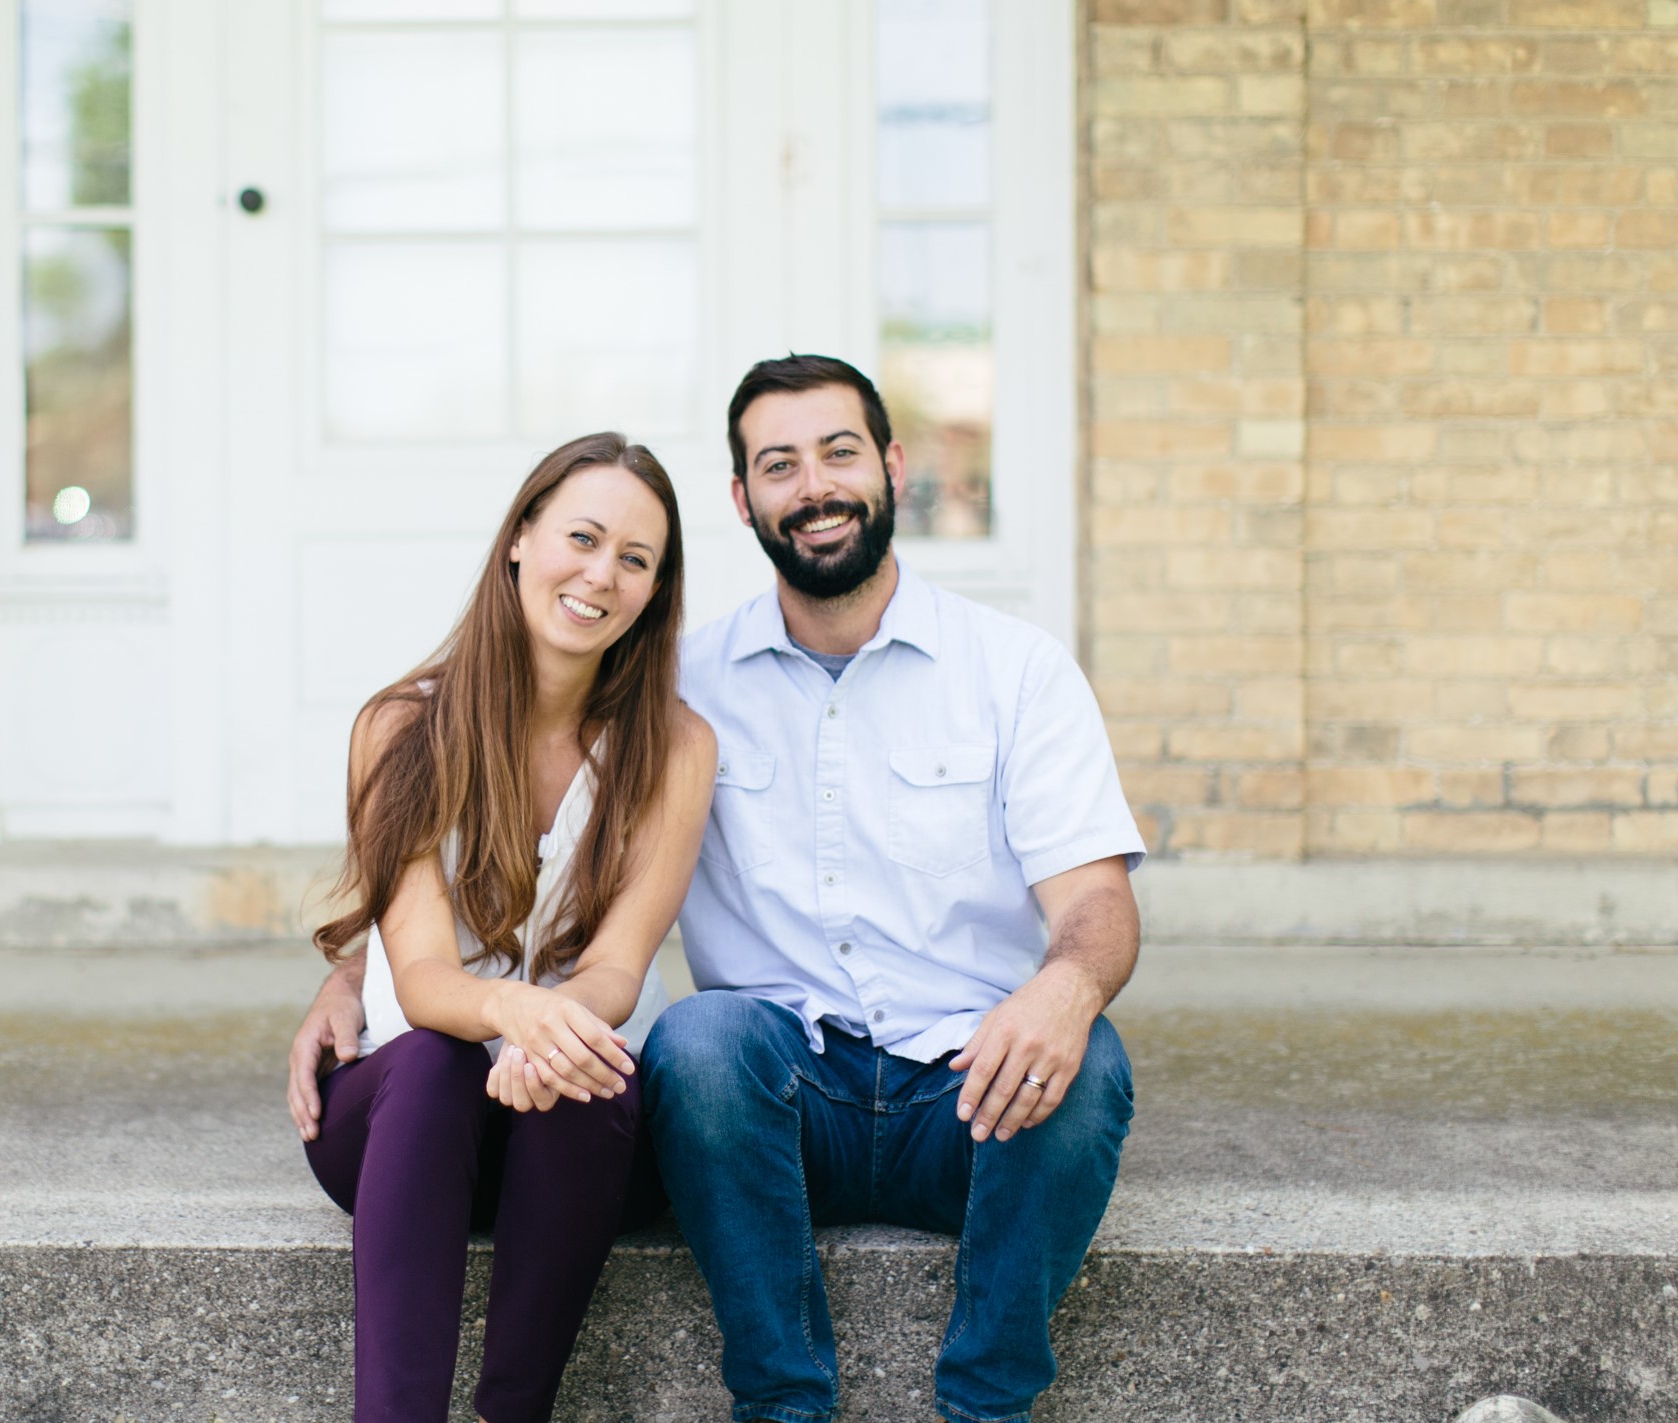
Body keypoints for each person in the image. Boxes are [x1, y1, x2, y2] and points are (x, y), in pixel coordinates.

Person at [290, 359, 1145, 1423]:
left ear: (891, 465)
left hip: (964, 1083)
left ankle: (987, 1405)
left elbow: (1096, 903)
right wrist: (348, 978)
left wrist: (1065, 990)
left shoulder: (1003, 672)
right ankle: (779, 1405)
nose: (815, 486)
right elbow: (434, 900)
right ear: (745, 499)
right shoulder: (652, 690)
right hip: (768, 1095)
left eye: (839, 453)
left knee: (1088, 1061)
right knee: (652, 1046)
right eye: (779, 464)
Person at [290, 431, 716, 1423]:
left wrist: (551, 1038)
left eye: (636, 560)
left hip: (579, 1143)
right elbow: (425, 969)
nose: (600, 574)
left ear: (655, 592)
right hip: (407, 1128)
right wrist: (512, 1015)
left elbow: (619, 962)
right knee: (440, 1061)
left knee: (591, 1070)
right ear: (520, 537)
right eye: (582, 535)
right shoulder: (399, 727)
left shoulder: (678, 748)